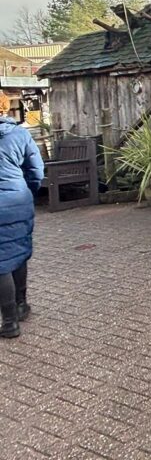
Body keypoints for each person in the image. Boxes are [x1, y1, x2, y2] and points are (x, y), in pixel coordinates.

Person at [0, 92, 43, 338]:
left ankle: (9, 323)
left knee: (1, 262)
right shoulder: (20, 134)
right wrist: (29, 192)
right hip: (18, 200)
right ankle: (21, 305)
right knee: (18, 251)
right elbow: (35, 170)